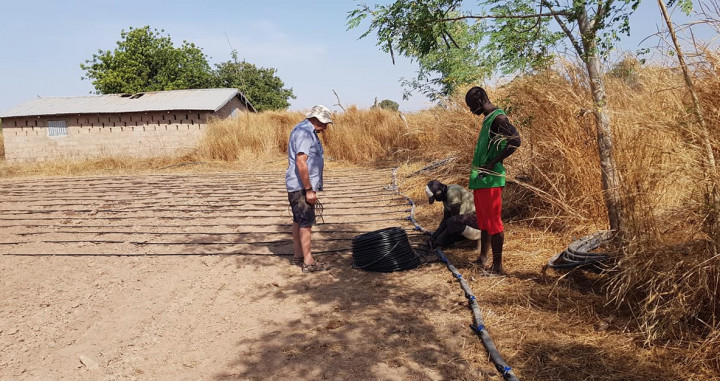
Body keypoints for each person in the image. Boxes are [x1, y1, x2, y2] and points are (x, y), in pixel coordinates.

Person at [465, 87, 521, 275]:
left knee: (494, 222)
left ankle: (497, 266)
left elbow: (515, 140)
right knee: (484, 221)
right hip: (481, 179)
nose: (472, 111)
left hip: (491, 180)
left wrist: (493, 162)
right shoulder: (488, 119)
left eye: (472, 106)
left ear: (480, 101)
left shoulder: (498, 118)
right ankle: (483, 258)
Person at [285, 105, 333, 273]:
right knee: (306, 222)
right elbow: (301, 162)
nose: (326, 127)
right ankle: (308, 262)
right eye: (325, 123)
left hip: (297, 185)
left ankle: (298, 255)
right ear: (317, 119)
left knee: (298, 220)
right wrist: (309, 190)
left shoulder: (304, 130)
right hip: (301, 186)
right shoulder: (305, 133)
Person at [425, 179, 482, 248]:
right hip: (466, 220)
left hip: (478, 220)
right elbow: (445, 219)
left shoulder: (453, 192)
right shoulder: (445, 196)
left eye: (435, 197)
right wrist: (434, 236)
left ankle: (478, 236)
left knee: (450, 227)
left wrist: (440, 238)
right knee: (446, 241)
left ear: (439, 191)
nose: (436, 200)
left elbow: (453, 219)